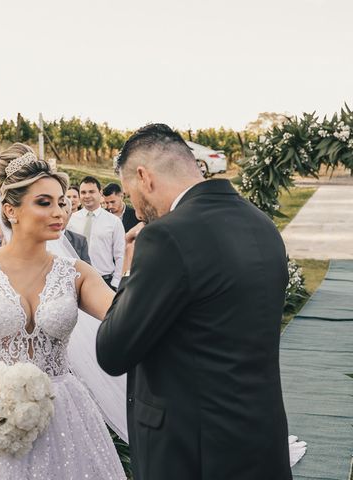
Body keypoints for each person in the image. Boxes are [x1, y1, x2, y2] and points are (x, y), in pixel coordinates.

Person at [96, 124, 294, 480]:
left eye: (130, 194)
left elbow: (113, 351)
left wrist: (126, 271)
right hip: (260, 439)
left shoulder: (165, 237)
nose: (136, 212)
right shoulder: (262, 225)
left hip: (191, 452)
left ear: (144, 177)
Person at [0, 143, 126, 479]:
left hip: (64, 415)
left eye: (62, 202)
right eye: (44, 203)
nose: (59, 212)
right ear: (11, 210)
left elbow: (127, 317)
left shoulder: (77, 273)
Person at [67, 176, 125, 289]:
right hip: (77, 281)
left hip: (105, 281)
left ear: (100, 193)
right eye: (83, 192)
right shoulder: (71, 220)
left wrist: (115, 283)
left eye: (91, 192)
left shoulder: (114, 221)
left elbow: (120, 254)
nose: (87, 196)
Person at [62, 198, 90, 264]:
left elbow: (87, 268)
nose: (61, 215)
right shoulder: (42, 239)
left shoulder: (80, 241)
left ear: (70, 215)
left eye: (65, 212)